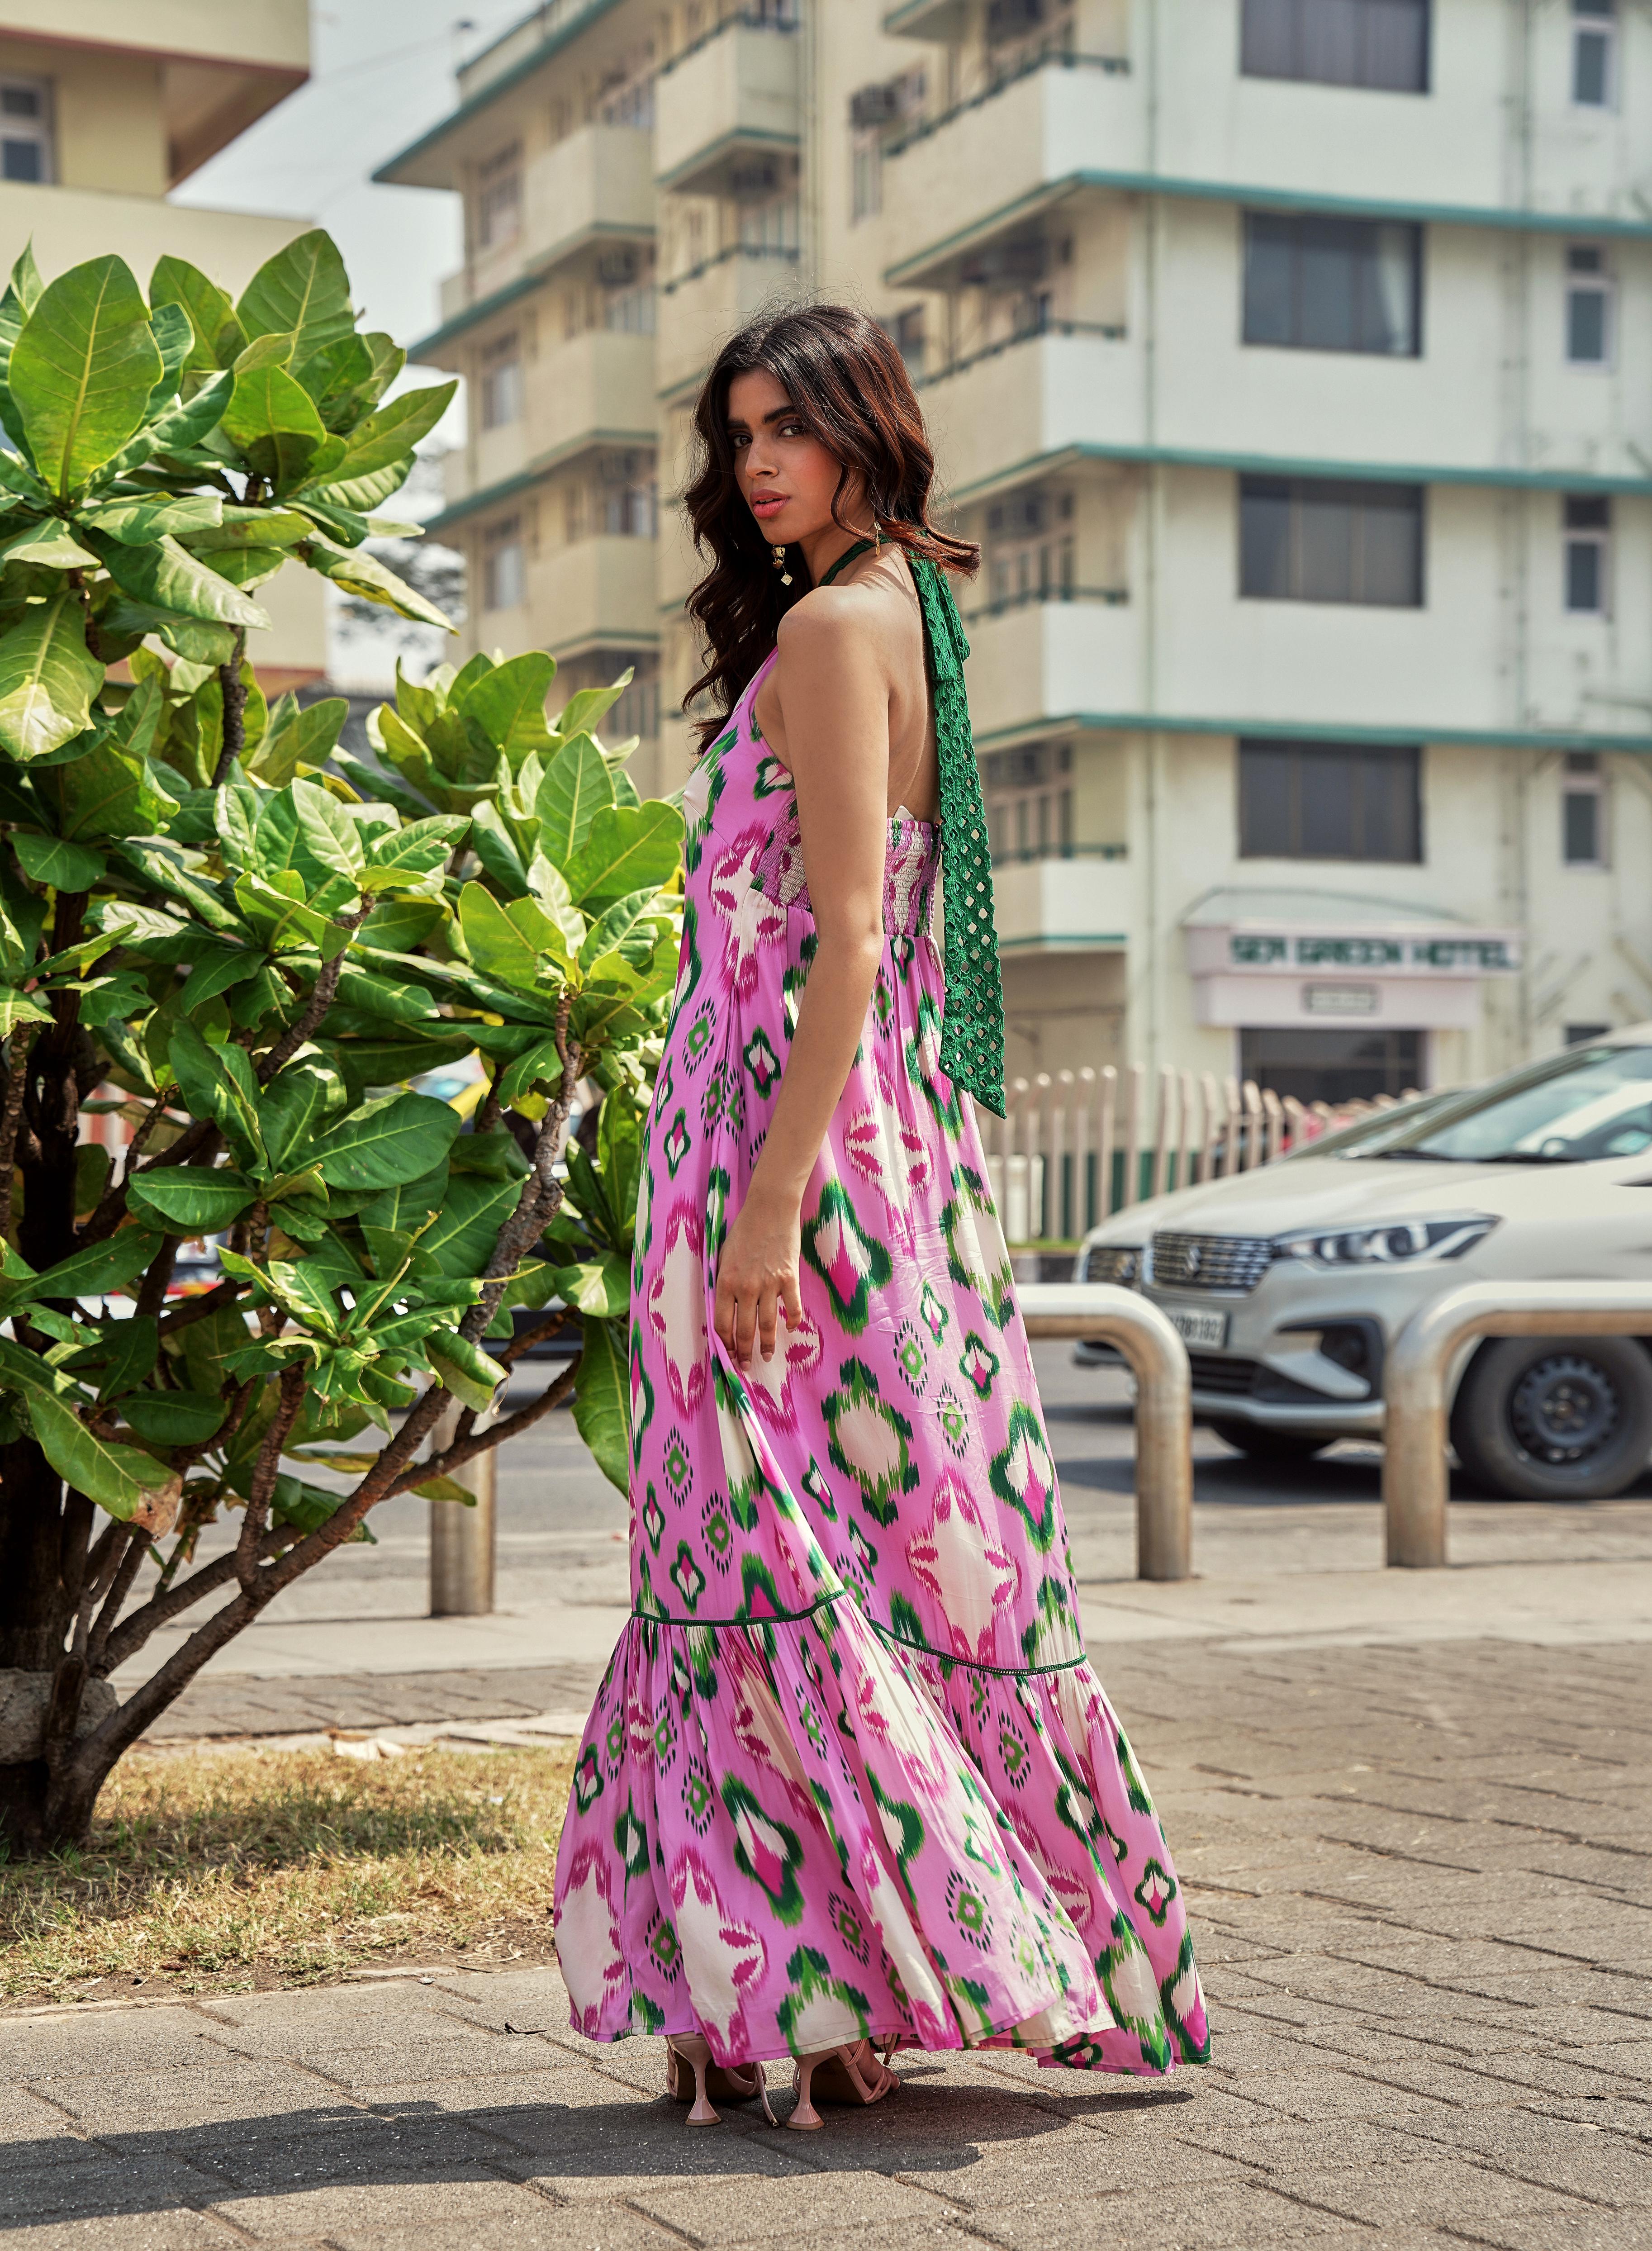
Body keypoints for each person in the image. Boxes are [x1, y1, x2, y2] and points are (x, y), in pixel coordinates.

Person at [552, 303, 1208, 2129]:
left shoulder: (842, 626)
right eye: (735, 431)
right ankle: (837, 1988)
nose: (756, 460)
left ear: (865, 427)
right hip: (859, 1142)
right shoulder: (898, 605)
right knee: (843, 1538)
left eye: (789, 425)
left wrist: (761, 1215)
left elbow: (850, 930)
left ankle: (801, 1990)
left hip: (790, 1157)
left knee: (758, 1550)